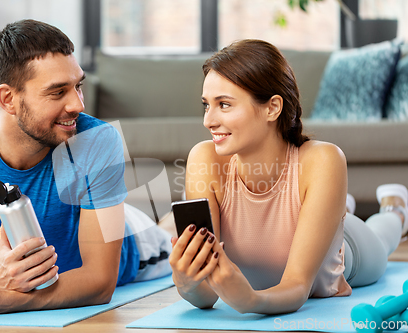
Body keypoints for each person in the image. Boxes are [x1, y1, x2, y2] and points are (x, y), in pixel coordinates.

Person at [0, 19, 171, 317]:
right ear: (8, 98)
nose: (78, 104)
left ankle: (167, 226)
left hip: (137, 247)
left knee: (172, 240)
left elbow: (100, 282)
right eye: (58, 92)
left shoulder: (98, 140)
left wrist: (2, 298)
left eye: (78, 86)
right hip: (15, 272)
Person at [169, 39, 407, 314]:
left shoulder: (322, 160)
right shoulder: (204, 159)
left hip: (348, 251)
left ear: (272, 107)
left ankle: (396, 210)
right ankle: (335, 206)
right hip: (305, 212)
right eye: (206, 105)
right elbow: (206, 294)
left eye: (224, 104)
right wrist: (187, 283)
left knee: (383, 237)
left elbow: (297, 286)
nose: (208, 121)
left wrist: (251, 301)